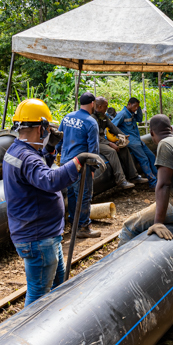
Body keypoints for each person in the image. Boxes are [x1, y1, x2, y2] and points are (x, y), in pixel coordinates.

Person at [3, 98, 105, 306]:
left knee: (59, 285)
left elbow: (37, 173)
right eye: (48, 128)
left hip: (44, 233)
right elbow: (49, 180)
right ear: (41, 128)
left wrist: (49, 150)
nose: (50, 131)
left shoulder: (17, 151)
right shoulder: (28, 158)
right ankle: (28, 332)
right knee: (39, 295)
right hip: (38, 237)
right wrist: (78, 160)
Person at [118, 114, 173, 245]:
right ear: (171, 129)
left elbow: (164, 184)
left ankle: (122, 262)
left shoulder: (165, 145)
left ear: (151, 133)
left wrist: (158, 223)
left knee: (129, 226)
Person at [59, 92, 103, 240]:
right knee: (84, 196)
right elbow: (93, 150)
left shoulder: (67, 117)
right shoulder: (90, 122)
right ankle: (83, 227)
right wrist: (92, 169)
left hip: (65, 164)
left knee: (71, 195)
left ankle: (74, 225)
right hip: (80, 166)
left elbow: (59, 139)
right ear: (92, 104)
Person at [92, 97, 144, 189]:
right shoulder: (92, 118)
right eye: (105, 106)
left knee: (124, 148)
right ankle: (121, 180)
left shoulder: (103, 116)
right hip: (95, 141)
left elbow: (112, 127)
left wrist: (123, 136)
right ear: (99, 106)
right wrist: (109, 144)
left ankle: (133, 176)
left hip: (102, 140)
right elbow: (95, 136)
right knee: (112, 151)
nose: (107, 108)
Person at [112, 97, 158, 188]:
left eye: (138, 106)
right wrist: (117, 139)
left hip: (137, 140)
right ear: (129, 104)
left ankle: (159, 177)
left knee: (151, 156)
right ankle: (153, 183)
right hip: (131, 141)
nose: (136, 108)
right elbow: (112, 126)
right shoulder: (122, 114)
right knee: (143, 159)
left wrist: (139, 109)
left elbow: (139, 119)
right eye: (135, 106)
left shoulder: (132, 114)